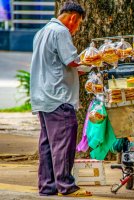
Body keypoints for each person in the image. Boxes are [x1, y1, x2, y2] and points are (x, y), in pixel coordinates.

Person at [30, 1, 91, 197]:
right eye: (78, 24)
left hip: (43, 96)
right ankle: (66, 185)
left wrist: (82, 69)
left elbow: (60, 66)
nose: (76, 29)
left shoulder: (43, 32)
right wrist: (93, 60)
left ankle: (48, 186)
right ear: (73, 18)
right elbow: (72, 61)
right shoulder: (61, 32)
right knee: (64, 142)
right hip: (58, 98)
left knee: (48, 145)